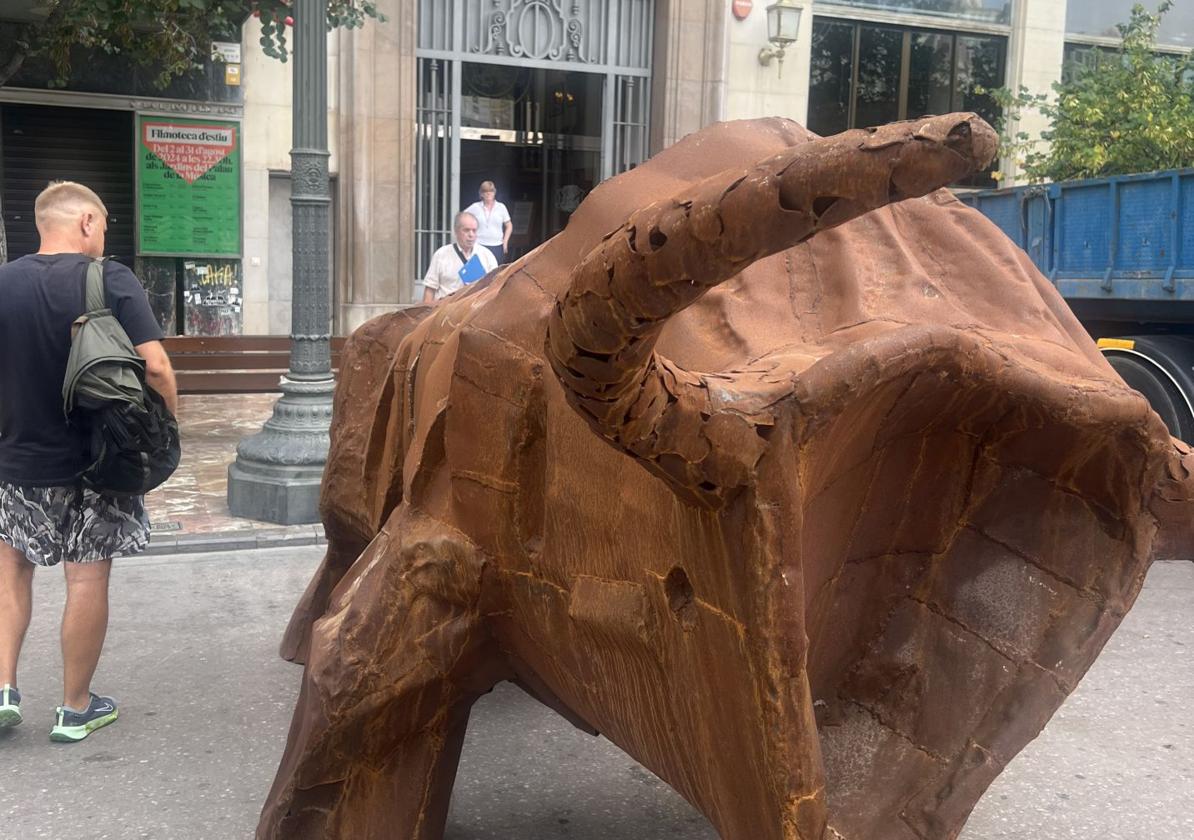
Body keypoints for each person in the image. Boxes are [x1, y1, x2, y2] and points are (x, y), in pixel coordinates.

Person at [0, 181, 178, 742]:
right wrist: (166, 434)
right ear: (83, 222)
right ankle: (75, 708)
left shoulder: (3, 284)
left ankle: (2, 690)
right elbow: (156, 369)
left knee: (9, 575)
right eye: (102, 224)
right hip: (101, 466)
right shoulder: (111, 279)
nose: (105, 235)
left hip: (17, 459)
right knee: (86, 579)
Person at [421, 211, 498, 303]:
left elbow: (495, 288)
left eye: (474, 230)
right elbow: (430, 289)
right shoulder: (441, 254)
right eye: (466, 230)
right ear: (456, 231)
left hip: (475, 310)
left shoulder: (487, 255)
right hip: (446, 310)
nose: (471, 235)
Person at [463, 180, 512, 264]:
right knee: (477, 273)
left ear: (494, 192)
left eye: (491, 191)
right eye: (485, 191)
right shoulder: (475, 207)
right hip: (479, 245)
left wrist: (505, 242)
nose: (488, 193)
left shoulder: (501, 207)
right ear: (481, 194)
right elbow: (462, 219)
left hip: (497, 246)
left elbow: (509, 225)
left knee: (496, 273)